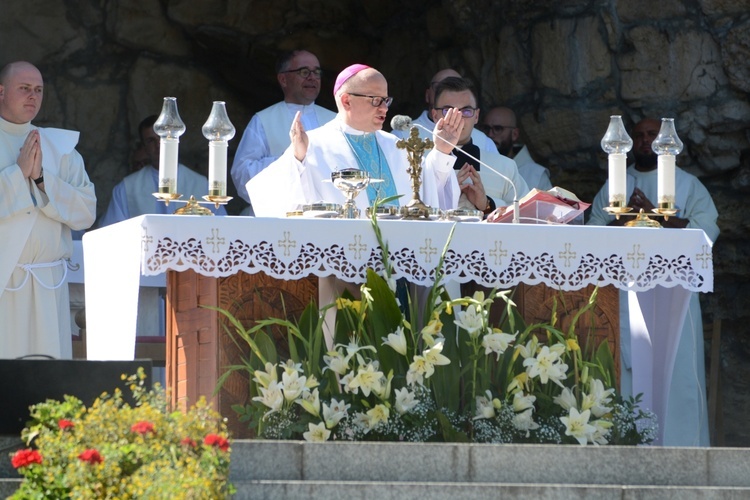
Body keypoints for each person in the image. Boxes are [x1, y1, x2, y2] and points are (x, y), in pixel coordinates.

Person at [588, 117, 720, 447]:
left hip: (675, 296)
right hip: (623, 293)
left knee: (678, 376)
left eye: (651, 135)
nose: (645, 141)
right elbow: (591, 232)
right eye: (639, 135)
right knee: (629, 374)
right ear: (630, 142)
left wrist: (657, 218)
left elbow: (706, 235)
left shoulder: (688, 185)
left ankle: (682, 448)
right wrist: (626, 220)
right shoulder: (615, 186)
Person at [247, 64, 462, 217]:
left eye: (386, 100)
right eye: (376, 100)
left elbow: (431, 197)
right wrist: (297, 159)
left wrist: (442, 151)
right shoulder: (314, 144)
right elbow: (268, 194)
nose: (384, 108)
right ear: (346, 100)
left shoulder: (397, 145)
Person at [0, 61, 96, 359]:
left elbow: (86, 213)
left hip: (47, 287)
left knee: (48, 380)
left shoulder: (59, 146)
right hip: (4, 284)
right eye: (24, 88)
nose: (33, 96)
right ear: (1, 91)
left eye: (38, 90)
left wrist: (43, 180)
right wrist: (17, 174)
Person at [231, 49, 336, 214]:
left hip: (328, 216)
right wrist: (291, 161)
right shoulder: (263, 121)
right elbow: (242, 175)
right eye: (304, 71)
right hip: (278, 218)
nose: (312, 77)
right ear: (283, 79)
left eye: (317, 72)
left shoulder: (335, 121)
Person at [97, 115, 226, 227]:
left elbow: (222, 226)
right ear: (144, 147)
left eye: (163, 138)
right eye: (151, 141)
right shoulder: (127, 188)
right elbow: (112, 232)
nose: (159, 145)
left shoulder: (201, 184)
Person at [431, 78, 529, 214]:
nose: (458, 118)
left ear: (476, 116)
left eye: (465, 111)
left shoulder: (504, 168)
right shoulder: (417, 164)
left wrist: (487, 204)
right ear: (435, 115)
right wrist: (447, 194)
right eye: (448, 111)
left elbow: (527, 213)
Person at [392, 68, 496, 153]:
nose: (450, 93)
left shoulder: (484, 142)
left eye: (456, 86)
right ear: (428, 95)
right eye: (439, 86)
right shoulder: (402, 135)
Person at [481, 106, 553, 191]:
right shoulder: (475, 165)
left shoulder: (535, 175)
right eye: (486, 128)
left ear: (514, 134)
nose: (490, 134)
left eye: (498, 129)